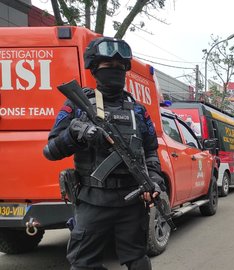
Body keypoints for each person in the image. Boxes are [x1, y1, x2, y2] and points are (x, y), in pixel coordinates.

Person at [43, 37, 165, 270]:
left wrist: (156, 181)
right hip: (92, 201)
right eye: (108, 67)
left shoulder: (137, 111)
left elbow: (150, 150)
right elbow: (50, 151)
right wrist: (78, 133)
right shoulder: (77, 105)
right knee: (83, 264)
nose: (115, 73)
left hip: (132, 201)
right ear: (95, 69)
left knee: (139, 262)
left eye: (120, 69)